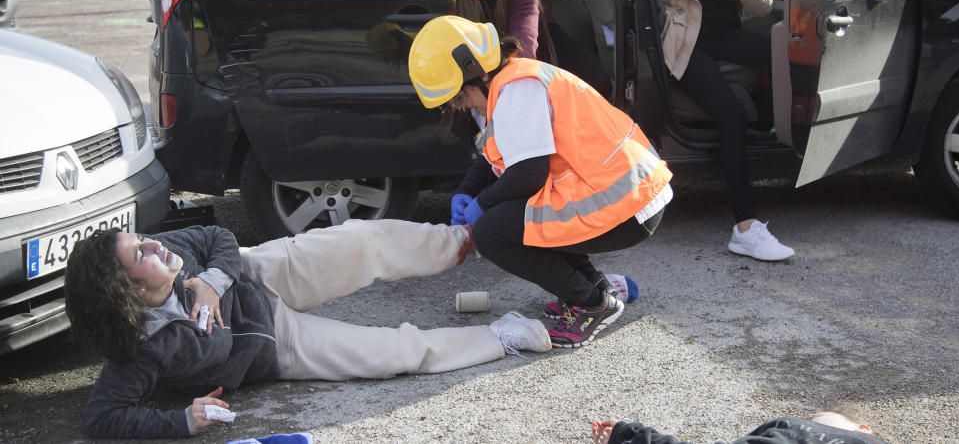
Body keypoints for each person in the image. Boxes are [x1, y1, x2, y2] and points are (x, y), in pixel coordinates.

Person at [64, 221, 551, 439]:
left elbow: (218, 237)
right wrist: (182, 422)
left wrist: (212, 281)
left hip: (255, 274)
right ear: (126, 293)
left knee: (360, 240)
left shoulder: (168, 248)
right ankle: (498, 336)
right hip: (273, 344)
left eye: (141, 239)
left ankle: (470, 240)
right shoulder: (143, 349)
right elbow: (102, 416)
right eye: (139, 254)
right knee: (390, 354)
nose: (153, 245)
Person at [408, 15, 673, 349]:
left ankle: (591, 304)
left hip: (626, 203)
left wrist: (482, 204)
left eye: (460, 99)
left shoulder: (519, 90)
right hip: (630, 195)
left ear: (474, 74)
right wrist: (465, 192)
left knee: (494, 232)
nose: (462, 107)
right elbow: (499, 155)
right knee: (516, 214)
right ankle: (593, 288)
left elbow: (528, 175)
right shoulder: (515, 82)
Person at [650, 0, 793, 262]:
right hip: (686, 43)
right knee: (730, 114)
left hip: (724, 37)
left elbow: (762, 6)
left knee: (787, 48)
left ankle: (783, 127)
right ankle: (745, 228)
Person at [591, 410, 885, 444]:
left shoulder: (793, 426)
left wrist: (627, 432)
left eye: (817, 416)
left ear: (863, 428)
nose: (812, 421)